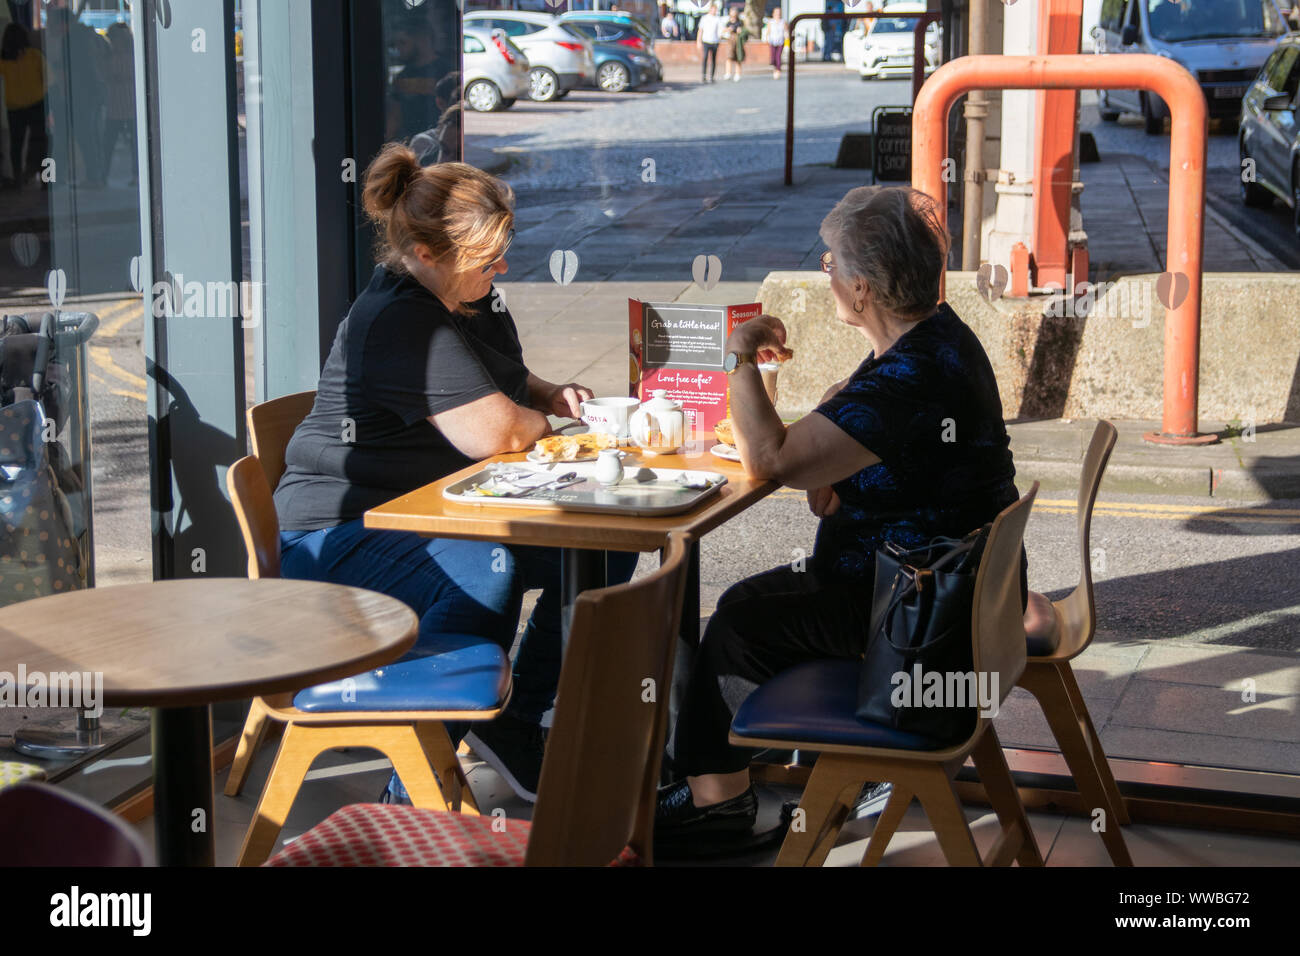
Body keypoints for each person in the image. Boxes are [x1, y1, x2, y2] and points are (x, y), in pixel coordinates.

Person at [655, 186, 1023, 842]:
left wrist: (737, 355)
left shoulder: (909, 376)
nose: (827, 276)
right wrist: (813, 415)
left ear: (861, 291)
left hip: (916, 622)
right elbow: (824, 492)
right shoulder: (933, 341)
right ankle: (728, 770)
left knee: (738, 623)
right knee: (748, 604)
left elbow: (772, 461)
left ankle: (718, 802)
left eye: (831, 265)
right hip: (935, 595)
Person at [273, 146, 637, 803]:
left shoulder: (463, 299)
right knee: (486, 571)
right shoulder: (401, 322)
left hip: (426, 514)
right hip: (332, 536)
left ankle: (515, 721)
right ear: (426, 252)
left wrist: (549, 394)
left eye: (501, 251)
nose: (499, 268)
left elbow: (501, 376)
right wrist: (537, 424)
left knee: (607, 549)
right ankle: (412, 784)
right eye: (485, 258)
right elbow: (495, 432)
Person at [0, 22, 46, 189]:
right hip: (37, 104)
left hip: (15, 107)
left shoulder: (4, 60)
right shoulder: (35, 55)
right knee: (41, 143)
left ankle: (19, 179)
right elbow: (48, 79)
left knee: (16, 145)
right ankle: (46, 180)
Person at [100, 22, 137, 187]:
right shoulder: (110, 55)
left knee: (133, 145)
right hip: (117, 106)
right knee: (108, 144)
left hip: (127, 106)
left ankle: (136, 175)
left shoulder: (132, 55)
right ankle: (102, 175)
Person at [697, 2, 722, 82]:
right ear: (710, 10)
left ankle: (712, 76)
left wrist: (720, 38)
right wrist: (698, 41)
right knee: (705, 58)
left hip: (715, 41)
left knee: (713, 59)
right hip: (706, 41)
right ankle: (704, 75)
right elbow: (700, 30)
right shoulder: (704, 18)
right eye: (713, 9)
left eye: (715, 9)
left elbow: (720, 31)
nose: (714, 11)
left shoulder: (717, 19)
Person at [721, 6, 748, 82]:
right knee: (729, 56)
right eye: (732, 12)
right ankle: (728, 73)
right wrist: (728, 29)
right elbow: (723, 31)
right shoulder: (728, 22)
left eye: (734, 12)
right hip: (730, 40)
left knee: (738, 57)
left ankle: (737, 74)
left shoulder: (740, 22)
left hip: (738, 40)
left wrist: (740, 31)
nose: (733, 14)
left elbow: (745, 31)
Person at [764, 6, 785, 80]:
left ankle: (778, 71)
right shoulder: (771, 22)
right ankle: (775, 68)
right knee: (773, 57)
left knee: (778, 56)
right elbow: (768, 31)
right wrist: (766, 38)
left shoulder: (783, 22)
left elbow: (786, 31)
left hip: (780, 41)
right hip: (772, 40)